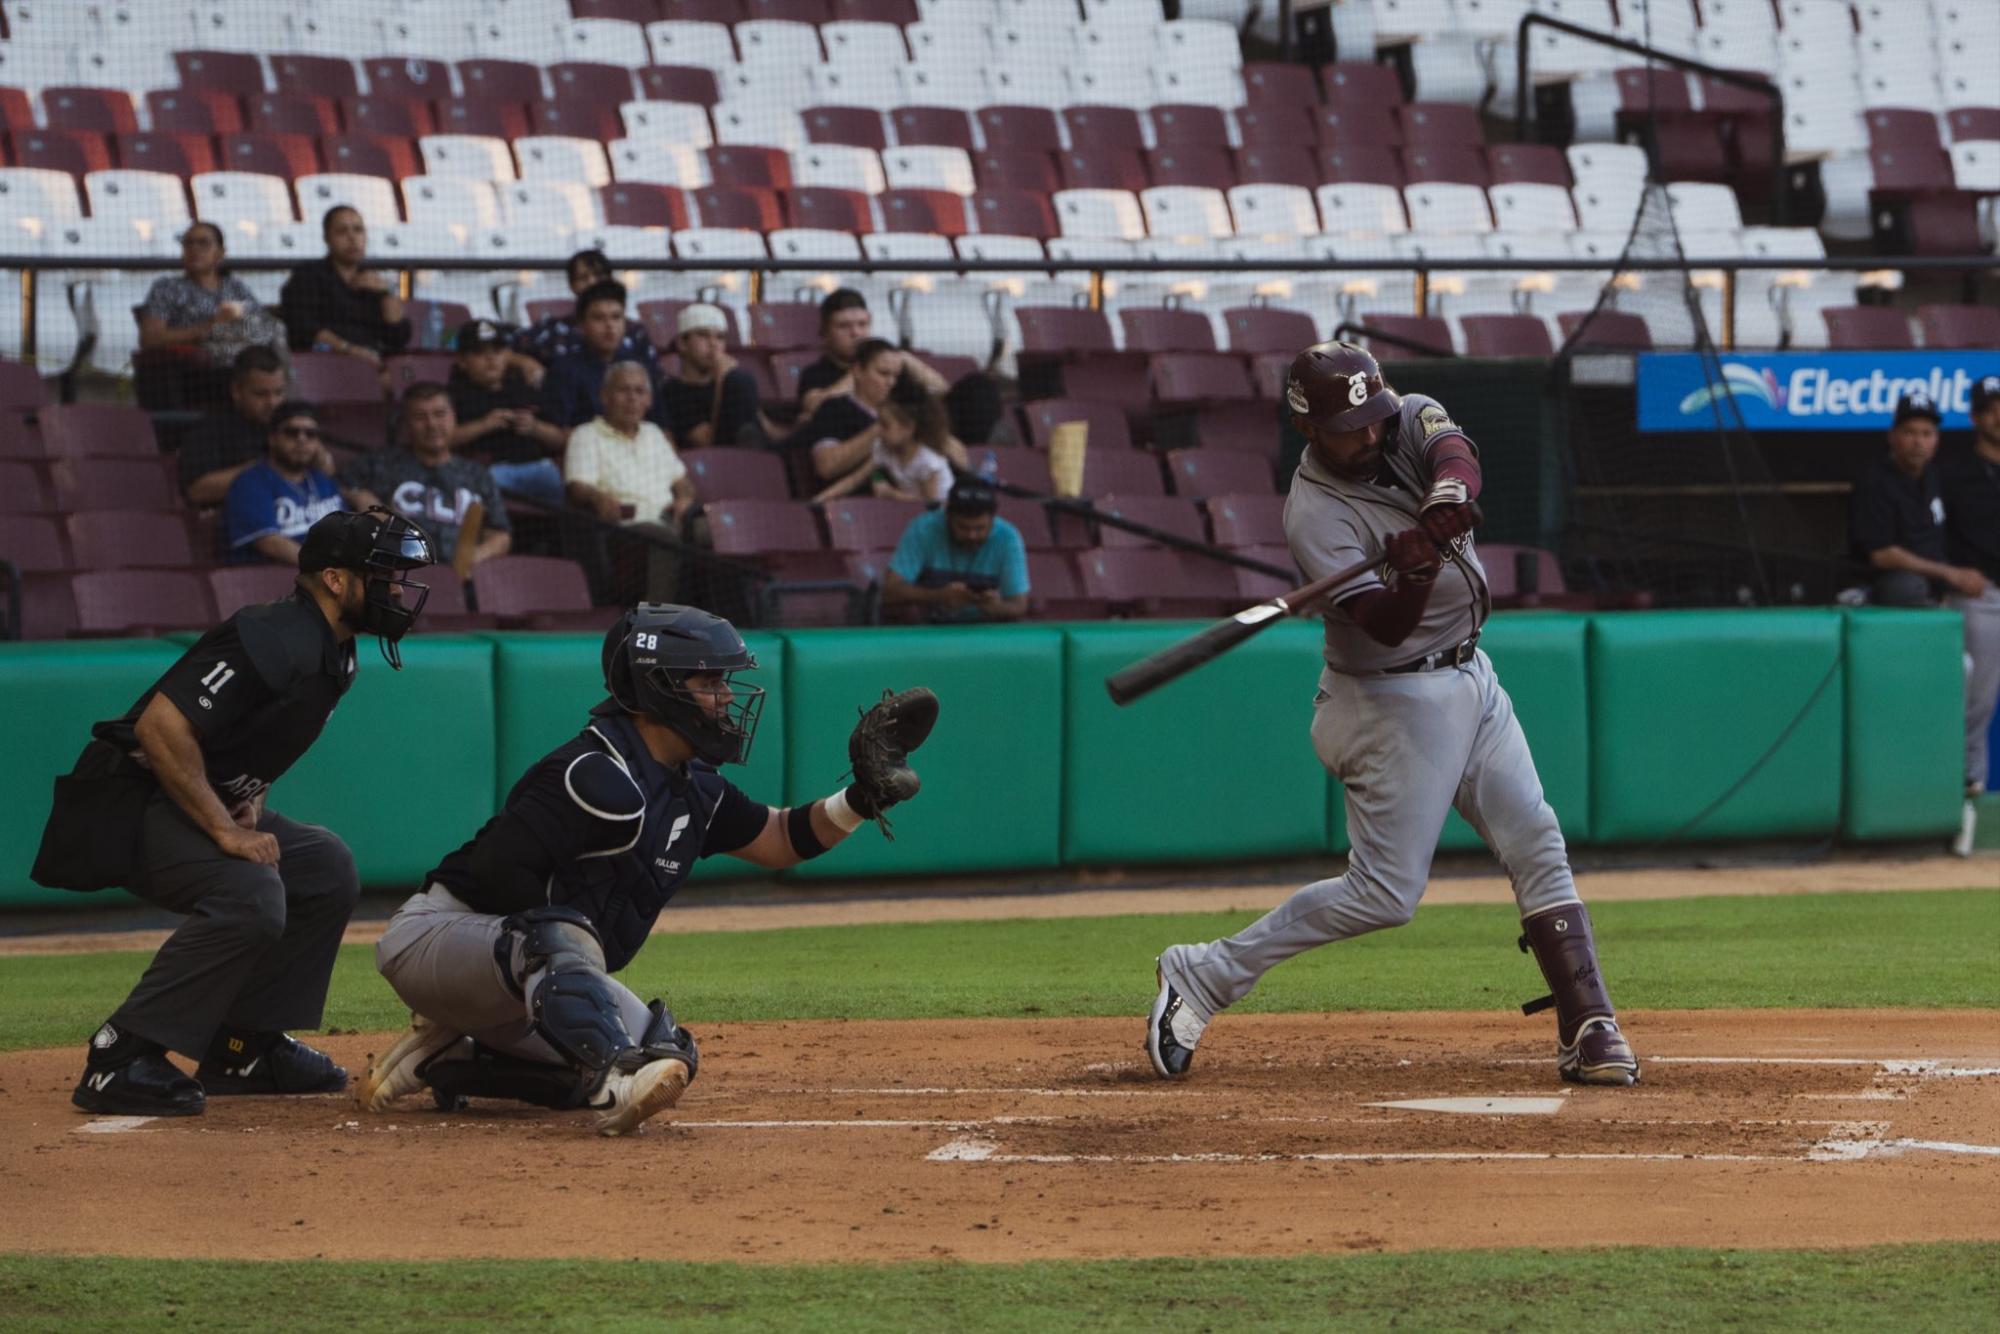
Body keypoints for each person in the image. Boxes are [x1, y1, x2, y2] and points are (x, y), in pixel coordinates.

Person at [1144, 342, 1640, 1089]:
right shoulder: (1314, 515)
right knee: (1385, 895)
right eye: (1351, 425)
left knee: (1535, 834)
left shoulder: (1399, 417)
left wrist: (1445, 499)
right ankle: (1205, 974)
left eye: (1373, 416)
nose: (1370, 434)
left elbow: (1454, 449)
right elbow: (1383, 625)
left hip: (1471, 671)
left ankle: (1591, 1023)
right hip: (1389, 700)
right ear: (1310, 430)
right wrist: (1414, 571)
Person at [355, 605, 936, 1135]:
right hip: (435, 940)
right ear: (655, 690)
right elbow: (493, 873)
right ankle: (610, 1074)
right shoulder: (589, 773)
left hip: (522, 976)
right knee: (570, 963)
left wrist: (862, 799)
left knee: (668, 1052)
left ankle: (451, 1056)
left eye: (724, 682)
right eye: (709, 683)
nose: (727, 698)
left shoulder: (695, 791)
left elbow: (781, 838)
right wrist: (563, 973)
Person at [32, 509, 435, 1117]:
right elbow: (161, 726)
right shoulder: (272, 634)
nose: (398, 589)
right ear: (333, 578)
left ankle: (243, 1047)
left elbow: (256, 736)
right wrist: (221, 828)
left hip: (184, 799)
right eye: (384, 574)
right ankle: (119, 1058)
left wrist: (251, 800)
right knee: (252, 893)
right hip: (128, 801)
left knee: (324, 867)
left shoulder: (336, 651)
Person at [795, 287, 1005, 445]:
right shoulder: (816, 372)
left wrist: (904, 358)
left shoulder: (892, 362)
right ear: (825, 332)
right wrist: (863, 371)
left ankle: (970, 453)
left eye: (862, 324)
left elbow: (941, 390)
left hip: (916, 435)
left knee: (978, 386)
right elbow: (815, 407)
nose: (856, 333)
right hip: (868, 437)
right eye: (844, 326)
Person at [342, 384, 513, 571]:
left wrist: (472, 559)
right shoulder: (381, 462)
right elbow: (341, 482)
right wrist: (367, 503)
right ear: (406, 424)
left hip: (461, 579)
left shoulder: (477, 475)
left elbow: (500, 534)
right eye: (420, 417)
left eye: (440, 414)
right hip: (399, 573)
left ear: (454, 417)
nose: (431, 425)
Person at [565, 362, 696, 601]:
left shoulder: (654, 433)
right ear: (604, 396)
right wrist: (598, 496)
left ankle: (738, 619)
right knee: (663, 538)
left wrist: (685, 498)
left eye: (639, 392)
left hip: (670, 518)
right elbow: (577, 487)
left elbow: (682, 480)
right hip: (625, 528)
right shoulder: (586, 435)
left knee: (717, 532)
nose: (632, 399)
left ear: (649, 401)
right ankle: (656, 622)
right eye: (623, 390)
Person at [1849, 391, 1987, 607]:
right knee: (1907, 587)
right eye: (1909, 433)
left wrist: (1962, 573)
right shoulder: (1875, 481)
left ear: (1936, 439)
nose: (1918, 442)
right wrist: (1949, 573)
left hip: (1938, 577)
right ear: (1892, 436)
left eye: (1926, 434)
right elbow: (1881, 555)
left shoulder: (1935, 475)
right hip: (1890, 582)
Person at [1941, 374, 2000, 815]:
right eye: (1991, 408)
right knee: (1977, 700)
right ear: (1975, 416)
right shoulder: (1954, 472)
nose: (1998, 415)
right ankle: (1966, 788)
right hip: (1982, 597)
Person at [796, 338, 966, 484]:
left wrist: (931, 433)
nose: (891, 382)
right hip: (865, 501)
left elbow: (963, 462)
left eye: (896, 376)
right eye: (883, 374)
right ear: (857, 371)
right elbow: (826, 466)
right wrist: (882, 428)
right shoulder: (834, 408)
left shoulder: (907, 410)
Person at [446, 319, 568, 509]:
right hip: (488, 469)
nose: (491, 359)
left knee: (557, 480)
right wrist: (485, 424)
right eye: (479, 353)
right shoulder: (454, 395)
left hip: (538, 466)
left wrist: (534, 427)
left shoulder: (524, 388)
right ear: (462, 361)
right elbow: (443, 440)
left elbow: (560, 439)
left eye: (497, 352)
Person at [137, 222, 285, 369]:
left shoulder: (235, 287)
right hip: (203, 357)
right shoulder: (167, 288)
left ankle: (284, 388)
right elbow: (150, 338)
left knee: (277, 331)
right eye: (188, 243)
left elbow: (261, 321)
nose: (194, 249)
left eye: (203, 243)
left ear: (220, 253)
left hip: (246, 344)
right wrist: (211, 325)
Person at [278, 205, 412, 366]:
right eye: (342, 231)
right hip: (324, 364)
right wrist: (349, 350)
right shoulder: (308, 276)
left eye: (358, 230)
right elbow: (303, 327)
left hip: (375, 364)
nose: (352, 238)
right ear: (327, 238)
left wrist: (386, 293)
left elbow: (398, 337)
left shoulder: (373, 281)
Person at [881, 481, 1029, 622]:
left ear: (992, 520)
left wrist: (997, 608)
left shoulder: (1008, 537)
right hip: (927, 630)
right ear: (947, 516)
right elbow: (889, 591)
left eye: (980, 528)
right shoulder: (923, 528)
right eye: (963, 527)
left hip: (985, 630)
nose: (972, 535)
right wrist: (938, 596)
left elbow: (1019, 604)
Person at [223, 400, 348, 566]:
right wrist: (325, 568)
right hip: (273, 580)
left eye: (310, 434)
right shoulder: (251, 482)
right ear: (272, 438)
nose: (301, 440)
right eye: (291, 432)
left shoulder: (323, 481)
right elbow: (270, 543)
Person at [509, 248, 658, 384]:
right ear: (572, 285)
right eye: (583, 277)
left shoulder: (635, 332)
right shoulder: (553, 330)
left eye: (599, 275)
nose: (592, 282)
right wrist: (524, 362)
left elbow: (653, 377)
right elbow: (505, 348)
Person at [177, 346, 294, 507]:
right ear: (237, 391)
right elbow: (197, 490)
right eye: (261, 394)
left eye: (278, 393)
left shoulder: (294, 424)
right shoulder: (210, 428)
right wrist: (267, 469)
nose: (272, 402)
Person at [539, 280, 659, 431]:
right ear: (581, 326)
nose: (609, 326)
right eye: (599, 318)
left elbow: (660, 424)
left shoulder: (640, 367)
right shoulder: (564, 370)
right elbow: (557, 430)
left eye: (616, 317)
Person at [655, 303, 762, 449]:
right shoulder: (672, 391)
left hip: (752, 455)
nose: (713, 344)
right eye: (703, 336)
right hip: (716, 462)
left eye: (720, 338)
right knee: (739, 381)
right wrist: (722, 381)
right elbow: (707, 442)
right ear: (682, 344)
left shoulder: (733, 384)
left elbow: (763, 429)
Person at [815, 394, 954, 506]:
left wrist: (892, 495)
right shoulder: (884, 449)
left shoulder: (927, 461)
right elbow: (853, 481)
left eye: (885, 425)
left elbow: (932, 505)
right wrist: (819, 500)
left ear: (908, 429)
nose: (877, 430)